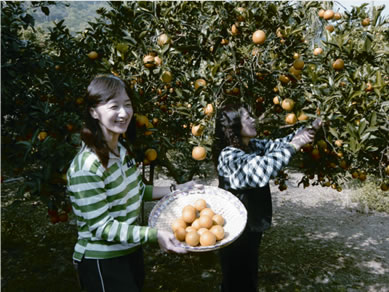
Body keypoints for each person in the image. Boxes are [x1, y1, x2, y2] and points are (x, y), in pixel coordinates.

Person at [67, 75, 192, 292]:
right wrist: (154, 235)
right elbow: (101, 227)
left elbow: (137, 190)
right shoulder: (86, 167)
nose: (124, 113)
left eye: (127, 105)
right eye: (114, 106)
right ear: (94, 112)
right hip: (102, 261)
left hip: (129, 251)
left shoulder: (121, 151)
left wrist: (176, 190)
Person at [212, 103, 321, 292]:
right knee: (237, 279)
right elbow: (262, 169)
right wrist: (295, 144)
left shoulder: (252, 146)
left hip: (250, 227)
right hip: (234, 232)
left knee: (248, 276)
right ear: (234, 125)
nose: (253, 119)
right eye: (247, 117)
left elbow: (279, 145)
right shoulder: (229, 155)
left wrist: (310, 129)